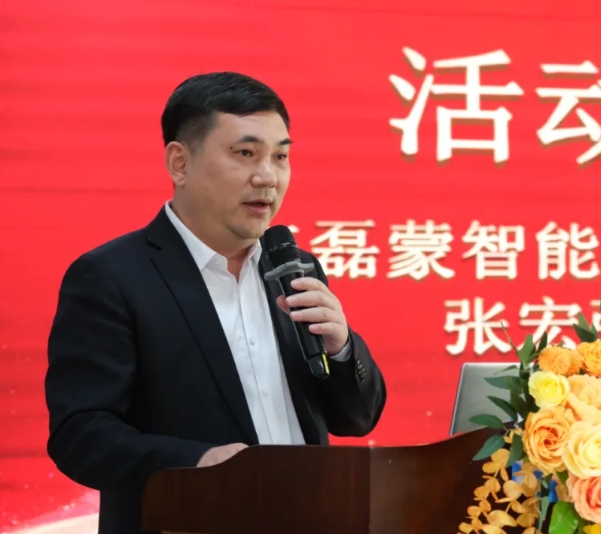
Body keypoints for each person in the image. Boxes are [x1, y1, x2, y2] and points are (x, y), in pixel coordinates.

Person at [44, 72, 387, 534]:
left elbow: (357, 419)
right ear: (180, 163)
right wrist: (200, 464)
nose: (267, 177)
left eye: (280, 156)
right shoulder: (112, 278)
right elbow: (81, 436)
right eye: (245, 154)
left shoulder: (295, 269)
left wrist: (342, 349)